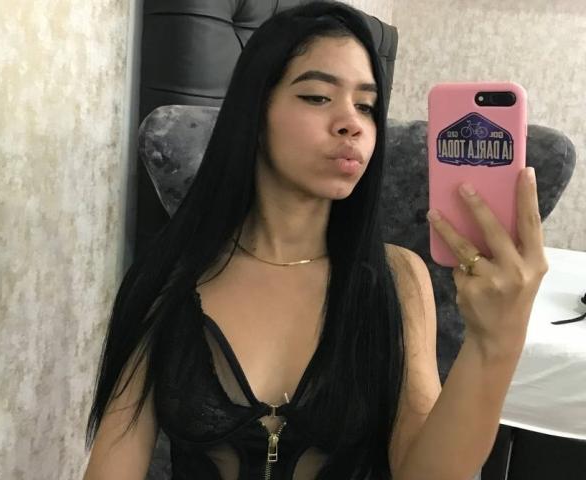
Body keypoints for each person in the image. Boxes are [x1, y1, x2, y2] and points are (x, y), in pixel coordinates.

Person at [83, 2, 548, 479]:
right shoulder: (168, 278)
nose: (352, 123)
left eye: (366, 106)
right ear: (254, 113)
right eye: (318, 97)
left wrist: (495, 342)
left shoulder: (397, 279)